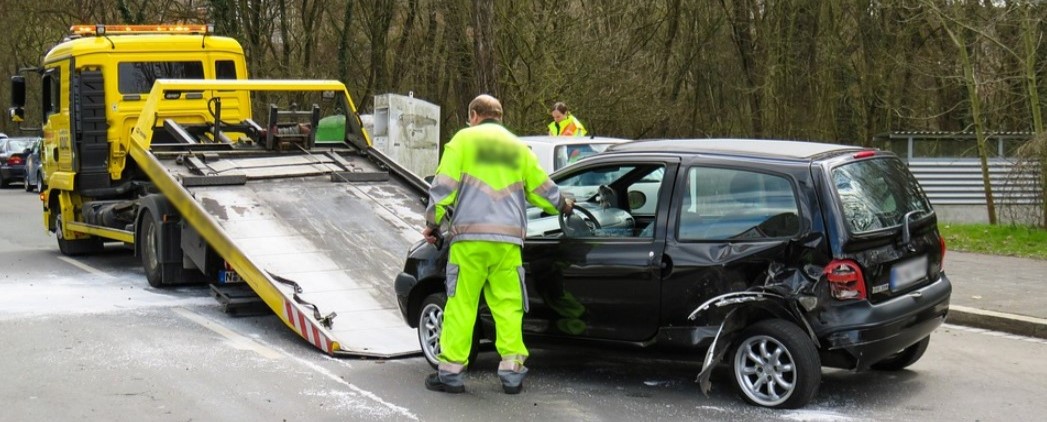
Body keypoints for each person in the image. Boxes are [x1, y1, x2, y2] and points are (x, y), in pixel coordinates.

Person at [422, 94, 573, 395]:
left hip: (470, 241)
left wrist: (431, 223)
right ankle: (512, 372)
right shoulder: (519, 148)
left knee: (462, 304)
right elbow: (542, 189)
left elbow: (443, 188)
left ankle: (451, 372)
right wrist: (564, 204)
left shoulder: (462, 141)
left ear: (475, 115)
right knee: (508, 306)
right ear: (500, 117)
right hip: (508, 243)